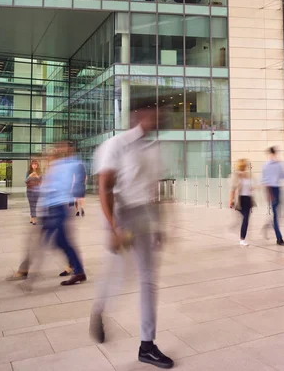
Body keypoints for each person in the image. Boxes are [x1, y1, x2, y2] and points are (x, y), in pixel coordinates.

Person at [90, 98, 173, 369]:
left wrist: (159, 225)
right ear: (139, 114)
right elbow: (104, 187)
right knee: (118, 275)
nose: (157, 119)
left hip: (144, 216)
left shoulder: (154, 148)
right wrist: (113, 227)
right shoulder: (116, 145)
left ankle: (147, 345)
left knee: (148, 280)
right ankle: (99, 308)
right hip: (121, 215)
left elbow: (155, 192)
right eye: (153, 113)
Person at [6, 142, 86, 286]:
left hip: (59, 208)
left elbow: (64, 185)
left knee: (47, 241)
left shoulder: (70, 164)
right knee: (58, 241)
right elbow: (48, 187)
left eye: (59, 148)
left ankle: (29, 278)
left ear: (68, 150)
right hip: (50, 208)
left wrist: (74, 197)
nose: (53, 151)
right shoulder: (56, 166)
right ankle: (77, 270)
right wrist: (38, 188)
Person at [262, 146, 284, 246]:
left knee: (281, 214)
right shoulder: (266, 165)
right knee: (276, 215)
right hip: (271, 189)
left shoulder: (279, 165)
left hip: (277, 189)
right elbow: (265, 181)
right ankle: (279, 238)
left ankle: (269, 225)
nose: (273, 156)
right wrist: (268, 193)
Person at [229, 159, 253, 246]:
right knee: (245, 218)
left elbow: (250, 186)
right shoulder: (236, 175)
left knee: (245, 219)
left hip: (248, 199)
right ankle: (242, 239)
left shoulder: (248, 175)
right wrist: (231, 201)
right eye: (244, 165)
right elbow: (233, 189)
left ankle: (239, 233)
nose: (245, 167)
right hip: (240, 199)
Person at [25, 160, 42, 225]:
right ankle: (34, 219)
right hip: (29, 190)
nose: (34, 165)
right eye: (33, 164)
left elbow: (41, 181)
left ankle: (31, 217)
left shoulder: (40, 172)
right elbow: (25, 181)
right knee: (32, 205)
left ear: (37, 165)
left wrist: (37, 176)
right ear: (31, 165)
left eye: (35, 164)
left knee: (34, 205)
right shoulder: (28, 172)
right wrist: (31, 175)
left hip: (37, 191)